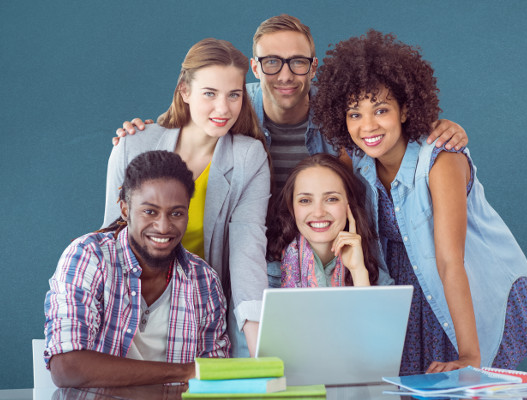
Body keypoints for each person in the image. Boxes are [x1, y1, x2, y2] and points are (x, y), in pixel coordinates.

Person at [114, 14, 469, 289]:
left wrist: (433, 128)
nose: (285, 74)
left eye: (298, 62)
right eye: (271, 62)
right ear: (255, 67)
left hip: (328, 259)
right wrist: (144, 133)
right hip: (245, 263)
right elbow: (196, 113)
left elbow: (380, 125)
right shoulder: (233, 106)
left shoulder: (336, 118)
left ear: (313, 67)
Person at [311, 30, 527, 375]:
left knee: (458, 383)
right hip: (399, 291)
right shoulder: (356, 159)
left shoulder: (442, 160)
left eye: (380, 110)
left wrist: (469, 354)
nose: (368, 126)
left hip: (455, 288)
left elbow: (450, 260)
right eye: (354, 114)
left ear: (406, 108)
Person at [103, 38, 271, 358]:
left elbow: (247, 253)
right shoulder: (132, 145)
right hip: (135, 306)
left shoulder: (249, 158)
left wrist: (262, 354)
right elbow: (112, 237)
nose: (223, 108)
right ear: (185, 91)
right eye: (210, 93)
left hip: (201, 313)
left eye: (234, 95)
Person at [44, 151, 230, 387]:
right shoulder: (89, 257)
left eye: (176, 213)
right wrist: (183, 372)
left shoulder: (204, 280)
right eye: (150, 211)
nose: (163, 227)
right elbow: (67, 368)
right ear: (125, 209)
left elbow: (216, 378)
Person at [267, 154, 379, 287]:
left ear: (349, 204)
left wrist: (358, 271)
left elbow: (372, 308)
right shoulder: (265, 274)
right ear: (292, 207)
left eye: (331, 199)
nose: (319, 213)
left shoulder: (374, 273)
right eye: (305, 200)